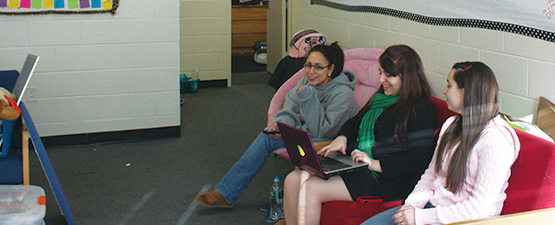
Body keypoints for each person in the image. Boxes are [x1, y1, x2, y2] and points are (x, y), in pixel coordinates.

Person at [283, 45, 438, 225]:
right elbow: (354, 122)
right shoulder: (381, 99)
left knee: (310, 188)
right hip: (361, 165)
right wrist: (342, 138)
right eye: (380, 73)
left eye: (389, 75)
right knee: (293, 180)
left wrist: (376, 164)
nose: (382, 80)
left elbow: (419, 159)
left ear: (408, 76)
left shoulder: (421, 109)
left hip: (388, 178)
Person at [196, 42, 359, 209]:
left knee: (297, 141)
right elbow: (290, 109)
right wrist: (281, 125)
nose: (311, 72)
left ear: (330, 69)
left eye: (318, 67)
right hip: (304, 134)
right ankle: (225, 194)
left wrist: (308, 98)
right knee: (266, 137)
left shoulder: (342, 94)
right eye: (308, 65)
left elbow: (323, 131)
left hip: (328, 142)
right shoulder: (306, 82)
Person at [361, 61, 520, 225]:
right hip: (430, 210)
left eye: (449, 86)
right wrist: (411, 206)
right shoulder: (452, 124)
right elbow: (431, 173)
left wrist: (419, 217)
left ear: (468, 92)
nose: (444, 91)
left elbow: (479, 208)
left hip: (463, 220)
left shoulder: (496, 139)